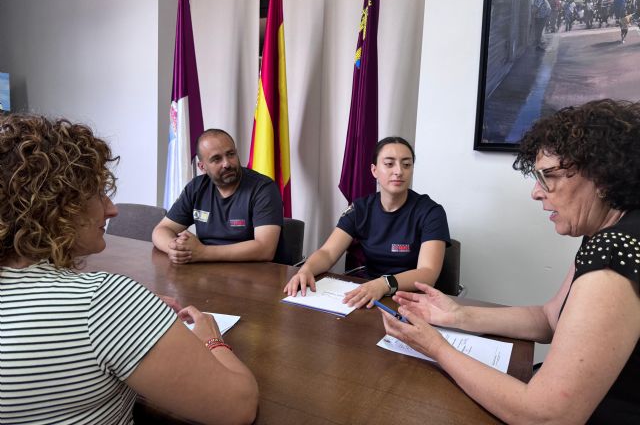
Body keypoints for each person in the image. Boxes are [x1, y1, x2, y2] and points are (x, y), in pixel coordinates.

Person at [381, 100, 640, 424]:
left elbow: (546, 416)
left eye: (548, 176)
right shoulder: (608, 232)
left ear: (600, 177)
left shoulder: (615, 251)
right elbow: (549, 318)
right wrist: (458, 314)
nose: (536, 192)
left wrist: (437, 349)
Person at [0, 115, 258, 424]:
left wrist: (133, 318)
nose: (112, 209)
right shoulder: (101, 302)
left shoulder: (259, 187)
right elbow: (239, 408)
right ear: (58, 206)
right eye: (98, 193)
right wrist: (211, 340)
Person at [284, 136, 450, 309]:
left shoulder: (431, 212)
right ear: (374, 170)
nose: (399, 171)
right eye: (389, 164)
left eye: (406, 164)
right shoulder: (360, 209)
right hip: (370, 295)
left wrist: (384, 284)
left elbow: (428, 272)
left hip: (412, 299)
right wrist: (306, 270)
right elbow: (328, 253)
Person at [153, 128, 283, 265]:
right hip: (206, 268)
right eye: (216, 159)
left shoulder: (263, 188)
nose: (227, 164)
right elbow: (161, 230)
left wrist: (203, 252)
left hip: (254, 271)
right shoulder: (196, 187)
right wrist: (175, 249)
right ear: (202, 167)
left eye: (231, 154)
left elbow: (265, 249)